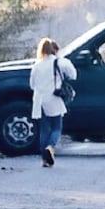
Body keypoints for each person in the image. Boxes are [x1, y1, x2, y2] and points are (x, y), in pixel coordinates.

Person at [29, 38, 77, 167]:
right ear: (54, 49)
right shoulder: (60, 62)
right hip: (54, 98)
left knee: (44, 129)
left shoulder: (37, 65)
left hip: (40, 100)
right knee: (56, 127)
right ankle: (50, 147)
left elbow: (32, 85)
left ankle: (45, 160)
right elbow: (73, 75)